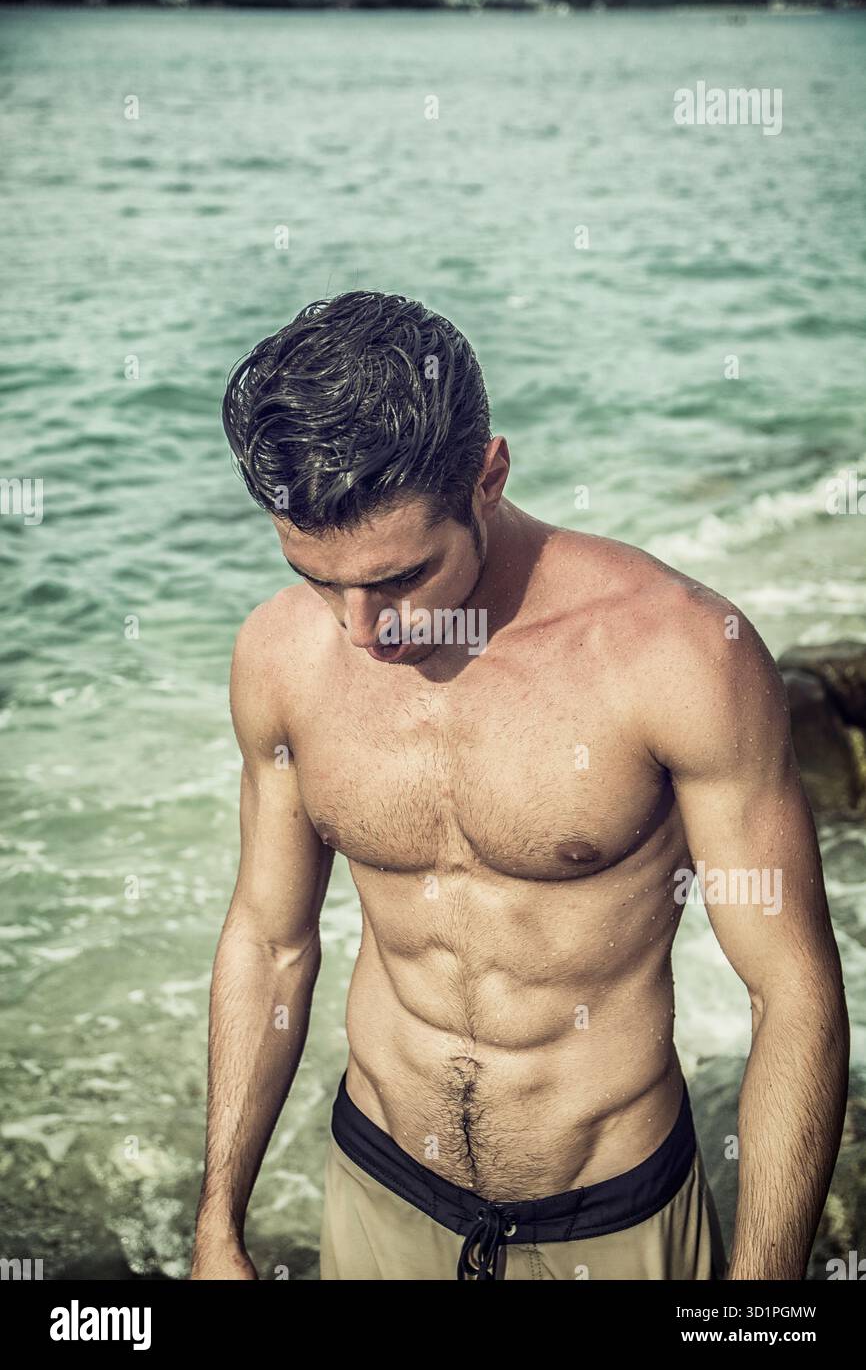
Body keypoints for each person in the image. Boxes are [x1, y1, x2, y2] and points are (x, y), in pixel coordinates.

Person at [190, 289, 848, 1281]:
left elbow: (789, 988)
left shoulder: (672, 655)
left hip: (610, 1219)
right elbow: (270, 941)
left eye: (402, 576)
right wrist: (217, 1224)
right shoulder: (281, 657)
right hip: (377, 1189)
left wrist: (761, 1291)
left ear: (488, 476)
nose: (362, 630)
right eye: (322, 580)